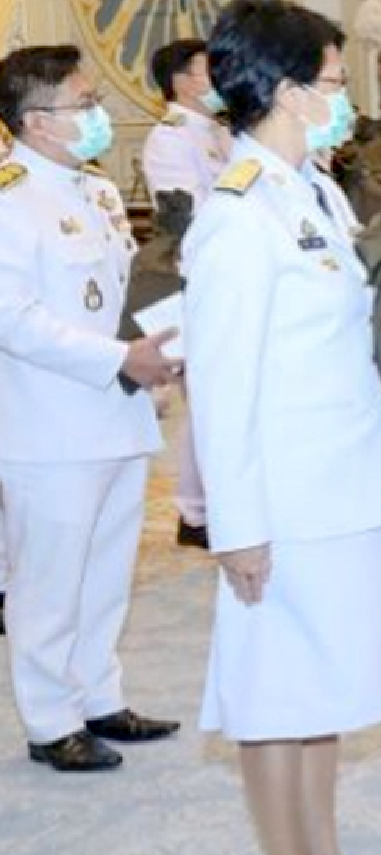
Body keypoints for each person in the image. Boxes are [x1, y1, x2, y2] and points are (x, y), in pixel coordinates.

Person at [186, 0, 381, 855]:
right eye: (332, 82)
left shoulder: (315, 192)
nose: (341, 97)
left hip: (347, 481)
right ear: (286, 91)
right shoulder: (238, 218)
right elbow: (221, 384)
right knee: (274, 701)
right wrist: (235, 524)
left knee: (322, 692)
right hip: (283, 500)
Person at [0, 45, 180, 772]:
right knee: (49, 579)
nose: (100, 115)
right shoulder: (11, 201)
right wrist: (117, 360)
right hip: (49, 428)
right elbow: (14, 319)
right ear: (38, 122)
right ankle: (50, 720)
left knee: (107, 569)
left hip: (118, 413)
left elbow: (120, 294)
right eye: (85, 103)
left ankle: (98, 695)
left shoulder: (98, 191)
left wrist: (157, 347)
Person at [141, 37, 230, 549]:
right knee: (206, 392)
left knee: (214, 393)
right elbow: (187, 216)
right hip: (196, 275)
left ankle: (198, 508)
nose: (216, 77)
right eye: (206, 70)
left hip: (221, 271)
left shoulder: (215, 130)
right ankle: (195, 511)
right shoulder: (171, 136)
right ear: (182, 80)